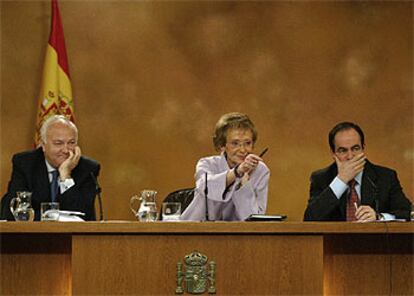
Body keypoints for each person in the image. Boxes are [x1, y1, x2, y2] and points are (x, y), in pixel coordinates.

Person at [304, 121, 412, 222]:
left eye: (355, 149)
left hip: (376, 241)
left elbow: (408, 214)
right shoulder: (321, 178)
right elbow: (310, 218)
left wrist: (379, 217)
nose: (350, 156)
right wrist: (341, 180)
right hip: (335, 241)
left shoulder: (385, 177)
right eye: (343, 150)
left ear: (363, 148)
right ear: (333, 153)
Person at [1, 115, 100, 221]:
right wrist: (52, 217)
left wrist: (65, 175)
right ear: (43, 145)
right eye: (58, 143)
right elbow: (13, 212)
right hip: (31, 235)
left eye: (71, 143)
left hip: (73, 237)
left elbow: (83, 216)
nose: (66, 150)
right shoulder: (25, 164)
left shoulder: (88, 169)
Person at [180, 112, 270, 221]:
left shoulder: (261, 170)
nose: (242, 150)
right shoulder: (206, 164)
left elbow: (255, 219)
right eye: (235, 143)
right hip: (196, 232)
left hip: (238, 236)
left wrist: (243, 185)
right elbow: (205, 187)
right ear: (222, 146)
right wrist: (237, 172)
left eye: (247, 143)